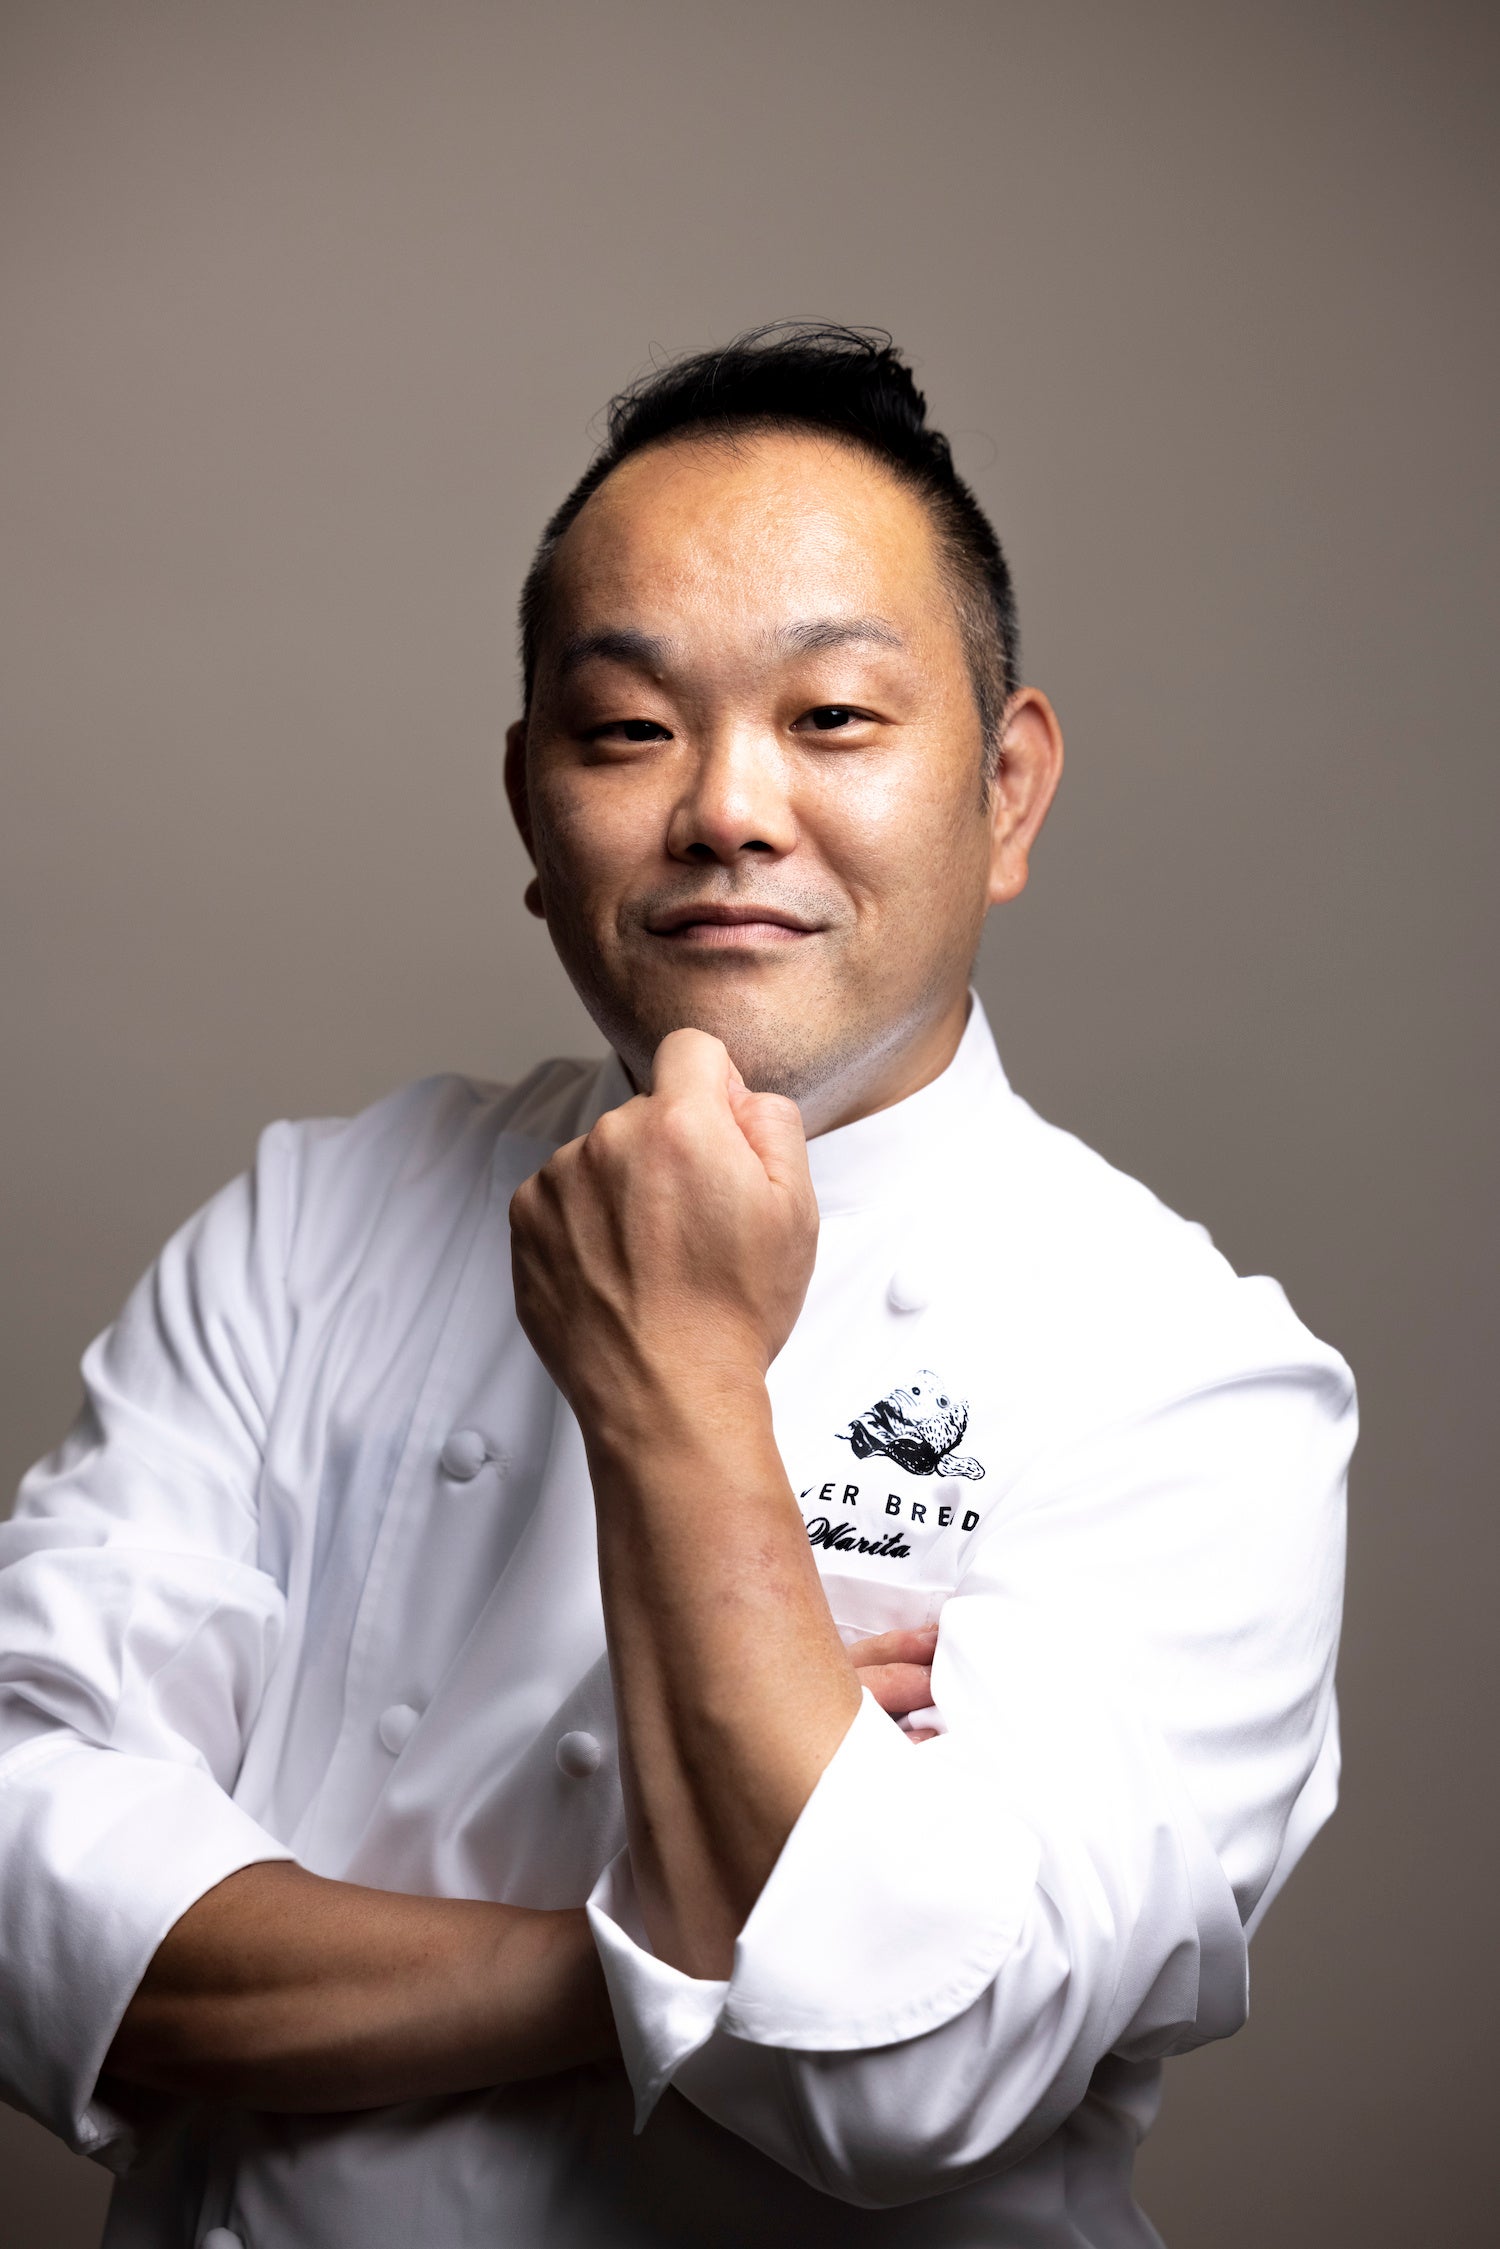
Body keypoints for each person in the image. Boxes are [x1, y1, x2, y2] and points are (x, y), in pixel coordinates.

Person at [0, 325, 1353, 2248]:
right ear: (527, 806)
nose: (726, 806)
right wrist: (648, 1960)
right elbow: (23, 1868)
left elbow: (899, 2064)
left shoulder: (1190, 1376)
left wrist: (679, 1376)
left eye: (834, 717)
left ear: (1008, 793)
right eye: (628, 728)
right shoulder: (314, 1217)